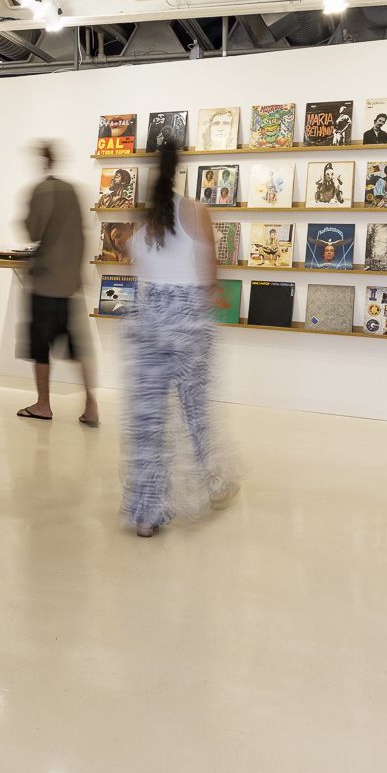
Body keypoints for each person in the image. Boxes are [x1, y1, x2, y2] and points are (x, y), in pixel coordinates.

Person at [122, 141, 236, 536]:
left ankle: (147, 514)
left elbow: (136, 261)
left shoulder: (142, 218)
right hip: (187, 323)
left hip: (147, 321)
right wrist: (211, 293)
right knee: (194, 412)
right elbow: (208, 274)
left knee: (149, 422)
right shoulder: (196, 211)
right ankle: (210, 482)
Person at [18, 141, 98, 426]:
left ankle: (43, 404)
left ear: (42, 161)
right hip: (69, 283)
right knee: (78, 347)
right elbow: (82, 234)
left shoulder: (41, 190)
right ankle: (91, 403)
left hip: (45, 282)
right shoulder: (73, 191)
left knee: (41, 347)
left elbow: (32, 230)